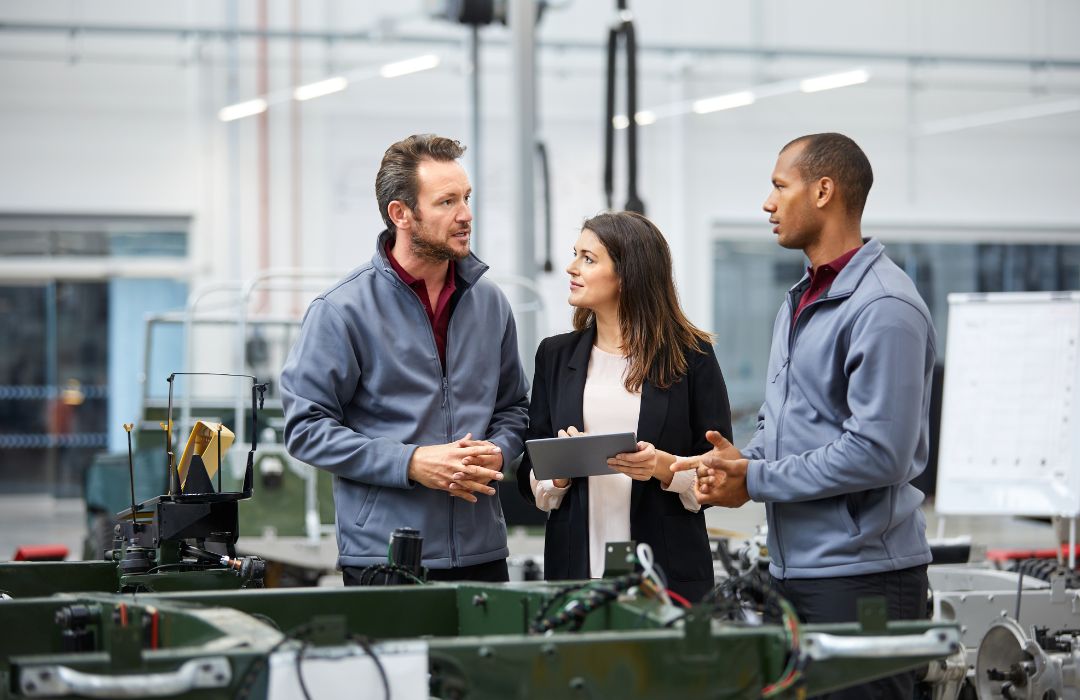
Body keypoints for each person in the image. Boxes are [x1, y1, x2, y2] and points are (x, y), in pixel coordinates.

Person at [675, 133, 936, 699]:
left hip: (863, 581)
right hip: (796, 575)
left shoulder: (883, 307)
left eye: (778, 187)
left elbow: (877, 452)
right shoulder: (799, 300)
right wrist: (739, 463)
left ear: (823, 191)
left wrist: (758, 480)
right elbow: (786, 422)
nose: (768, 204)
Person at [281, 134, 529, 584]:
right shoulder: (341, 310)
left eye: (467, 198)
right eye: (447, 201)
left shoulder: (490, 303)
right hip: (385, 558)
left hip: (482, 553)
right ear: (402, 214)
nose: (466, 215)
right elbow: (306, 429)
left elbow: (514, 407)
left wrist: (499, 451)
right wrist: (410, 463)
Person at [516, 211, 732, 603]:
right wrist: (559, 474)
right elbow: (531, 467)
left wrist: (662, 467)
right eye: (575, 254)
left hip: (667, 575)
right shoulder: (553, 355)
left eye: (588, 258)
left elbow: (720, 471)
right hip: (575, 572)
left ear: (627, 273)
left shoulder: (693, 357)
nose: (571, 267)